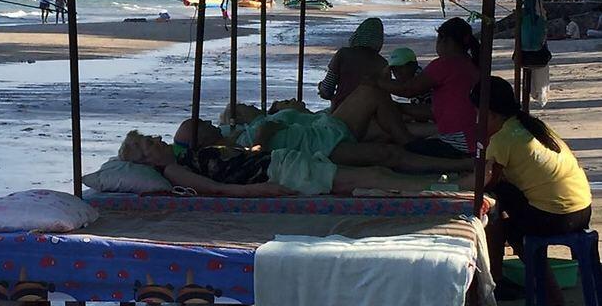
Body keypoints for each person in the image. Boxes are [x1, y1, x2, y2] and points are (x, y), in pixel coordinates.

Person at [472, 77, 591, 305]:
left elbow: (485, 181)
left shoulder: (503, 138)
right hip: (581, 210)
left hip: (558, 216)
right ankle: (501, 279)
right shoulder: (531, 125)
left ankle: (548, 294)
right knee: (505, 200)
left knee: (503, 213)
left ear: (491, 114)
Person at [177, 87, 471, 176]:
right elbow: (256, 153)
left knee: (371, 92)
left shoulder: (233, 131)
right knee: (388, 153)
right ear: (200, 140)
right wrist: (262, 134)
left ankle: (422, 138)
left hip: (321, 128)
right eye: (201, 125)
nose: (208, 122)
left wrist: (264, 124)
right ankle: (462, 164)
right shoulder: (224, 154)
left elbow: (266, 121)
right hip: (317, 150)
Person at [119, 131, 457, 198]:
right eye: (151, 143)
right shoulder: (174, 171)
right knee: (375, 176)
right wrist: (260, 189)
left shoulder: (180, 156)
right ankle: (453, 186)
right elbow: (217, 189)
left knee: (375, 176)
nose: (159, 140)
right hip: (279, 172)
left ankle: (450, 182)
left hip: (278, 164)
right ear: (147, 159)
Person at [377, 17, 479, 159]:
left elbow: (408, 90)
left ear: (446, 41)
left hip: (458, 142)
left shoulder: (445, 64)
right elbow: (437, 110)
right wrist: (399, 107)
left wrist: (377, 82)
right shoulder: (469, 64)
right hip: (470, 138)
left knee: (400, 151)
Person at [317, 17, 388, 111]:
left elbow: (326, 90)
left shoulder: (343, 54)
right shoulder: (382, 63)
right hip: (370, 113)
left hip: (341, 111)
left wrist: (322, 89)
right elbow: (384, 95)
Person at [387, 47, 433, 122]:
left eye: (401, 67)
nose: (397, 72)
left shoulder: (421, 82)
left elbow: (424, 117)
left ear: (413, 65)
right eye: (394, 69)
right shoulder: (420, 76)